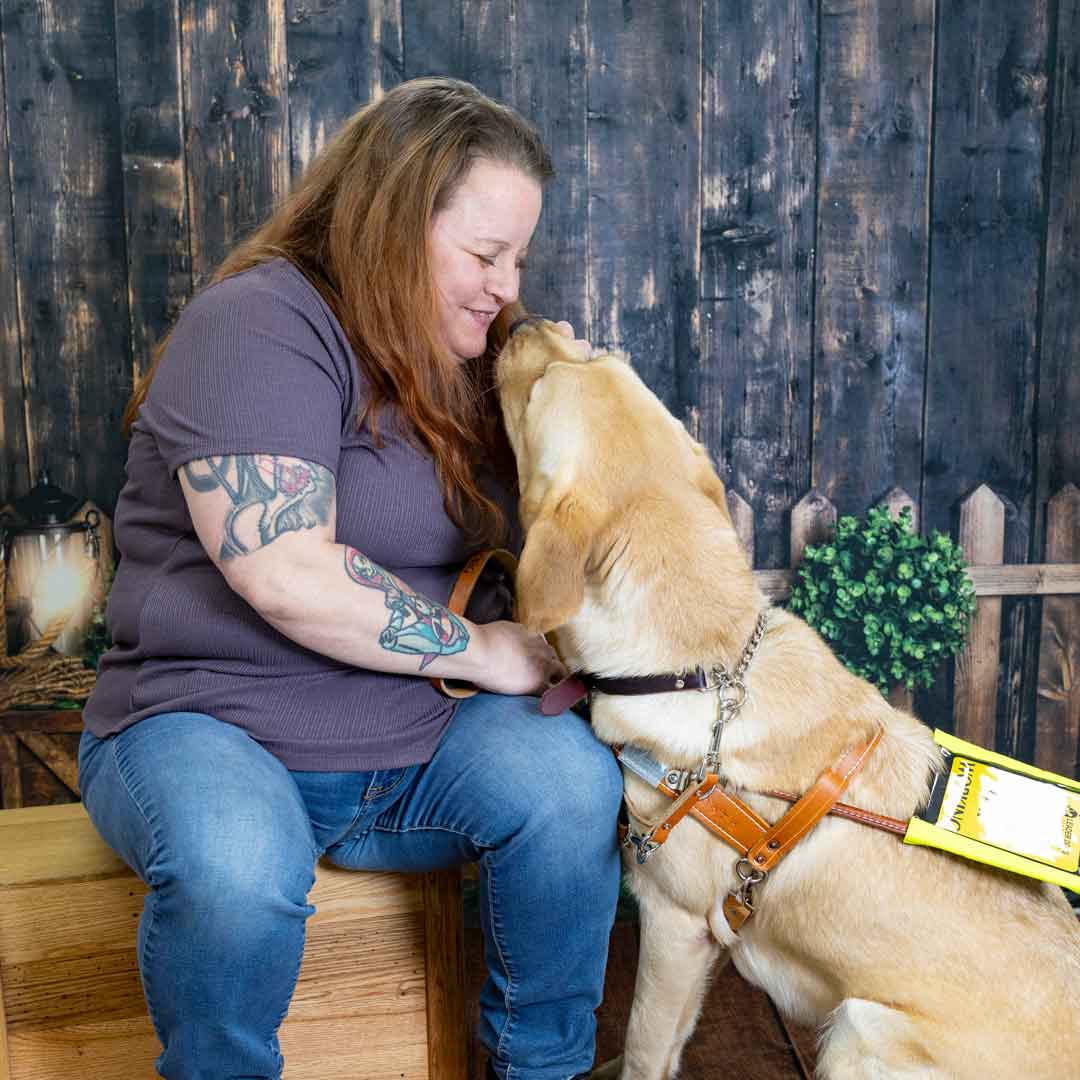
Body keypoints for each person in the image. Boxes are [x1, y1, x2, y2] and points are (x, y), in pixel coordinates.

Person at [79, 76, 623, 1080]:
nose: (508, 283)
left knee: (571, 792)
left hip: (412, 739)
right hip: (210, 720)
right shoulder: (258, 325)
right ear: (390, 226)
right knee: (236, 870)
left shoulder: (472, 353)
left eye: (519, 257)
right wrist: (483, 652)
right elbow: (285, 573)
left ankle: (543, 1070)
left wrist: (584, 400)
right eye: (484, 253)